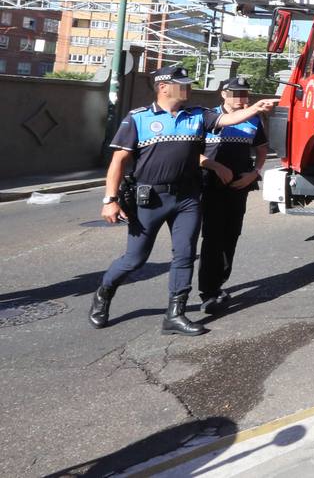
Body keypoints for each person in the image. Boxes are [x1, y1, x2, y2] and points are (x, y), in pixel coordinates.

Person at [88, 65, 275, 335]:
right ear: (163, 87)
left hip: (187, 198)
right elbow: (118, 161)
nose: (187, 88)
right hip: (151, 198)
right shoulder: (138, 118)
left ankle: (175, 314)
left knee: (185, 255)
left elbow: (228, 120)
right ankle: (104, 293)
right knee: (134, 259)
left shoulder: (197, 115)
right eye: (182, 84)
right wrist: (110, 199)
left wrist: (256, 108)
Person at [198, 76, 270, 316]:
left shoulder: (253, 119)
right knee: (213, 237)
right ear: (224, 94)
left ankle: (219, 282)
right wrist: (215, 167)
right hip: (212, 186)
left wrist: (254, 174)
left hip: (239, 186)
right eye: (237, 94)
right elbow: (190, 153)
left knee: (232, 235)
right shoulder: (208, 118)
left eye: (245, 94)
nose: (242, 99)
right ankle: (208, 291)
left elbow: (261, 149)